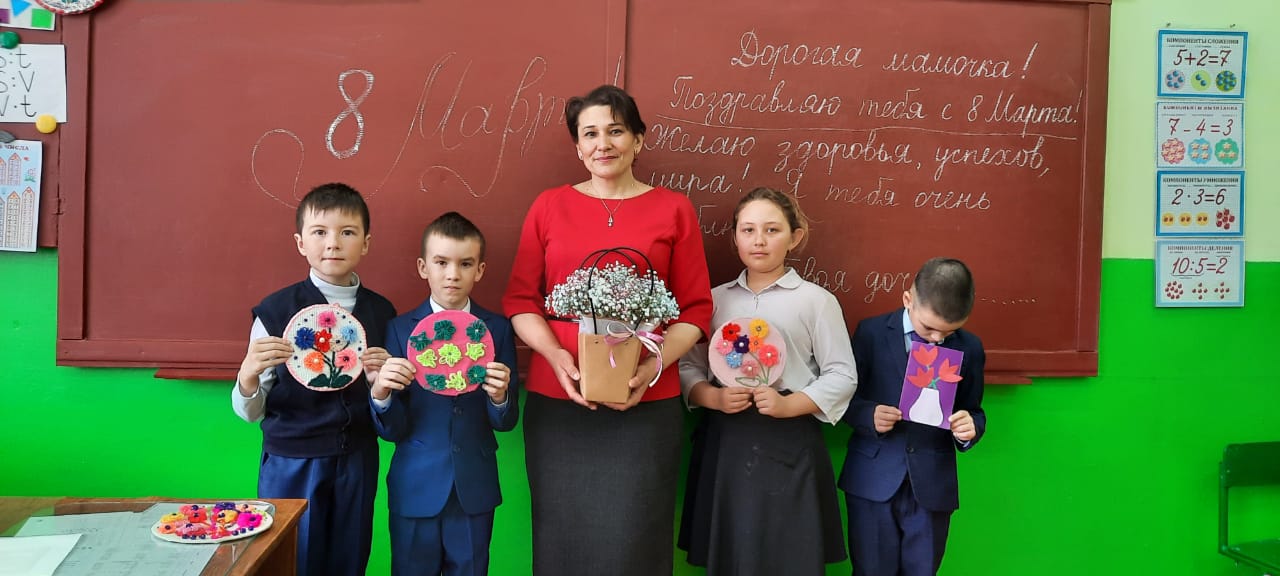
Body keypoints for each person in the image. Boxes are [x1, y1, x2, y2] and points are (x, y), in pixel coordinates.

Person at [502, 84, 714, 576]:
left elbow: (696, 310)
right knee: (562, 539)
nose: (603, 144)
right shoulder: (549, 206)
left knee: (636, 538)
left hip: (647, 403)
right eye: (590, 134)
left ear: (638, 139)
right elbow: (520, 301)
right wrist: (556, 357)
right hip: (560, 401)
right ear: (577, 146)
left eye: (616, 131)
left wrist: (650, 367)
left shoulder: (674, 209)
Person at [677, 187, 856, 575]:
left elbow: (842, 374)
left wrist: (789, 404)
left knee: (788, 553)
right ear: (735, 237)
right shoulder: (713, 300)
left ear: (795, 237)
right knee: (731, 551)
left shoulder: (816, 301)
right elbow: (687, 366)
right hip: (726, 440)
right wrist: (712, 397)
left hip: (789, 440)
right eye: (748, 230)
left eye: (772, 230)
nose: (759, 240)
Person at [231, 182, 396, 576]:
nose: (333, 243)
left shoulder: (383, 314)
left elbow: (389, 410)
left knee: (349, 558)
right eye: (320, 232)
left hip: (357, 459)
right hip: (292, 460)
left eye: (347, 232)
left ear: (366, 243)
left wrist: (383, 385)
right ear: (301, 242)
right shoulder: (275, 312)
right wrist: (248, 374)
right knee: (292, 559)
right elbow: (249, 412)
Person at [368, 211, 519, 576]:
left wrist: (500, 397)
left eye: (465, 264)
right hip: (415, 483)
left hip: (474, 486)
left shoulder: (497, 329)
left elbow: (506, 422)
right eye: (441, 262)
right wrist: (381, 393)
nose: (453, 274)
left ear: (479, 270)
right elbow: (392, 430)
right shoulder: (399, 329)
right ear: (424, 267)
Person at [838, 257, 987, 576]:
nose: (936, 339)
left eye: (949, 332)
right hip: (872, 480)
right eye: (929, 328)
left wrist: (969, 427)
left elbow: (973, 410)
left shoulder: (970, 348)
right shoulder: (871, 333)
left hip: (931, 486)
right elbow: (842, 398)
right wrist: (868, 415)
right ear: (908, 299)